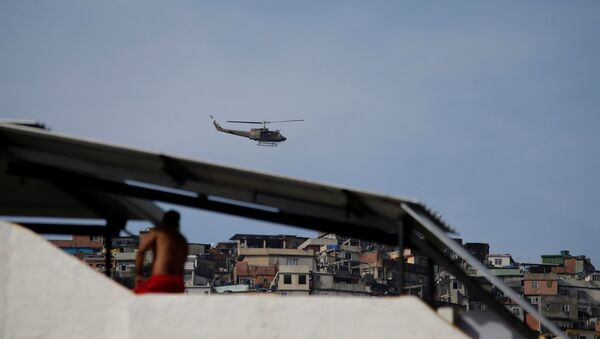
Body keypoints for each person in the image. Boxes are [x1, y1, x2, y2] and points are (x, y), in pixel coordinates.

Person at [133, 210, 188, 294]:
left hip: (161, 280)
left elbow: (141, 251)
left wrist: (138, 276)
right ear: (178, 223)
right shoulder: (182, 240)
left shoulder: (158, 232)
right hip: (178, 283)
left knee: (133, 297)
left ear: (164, 221)